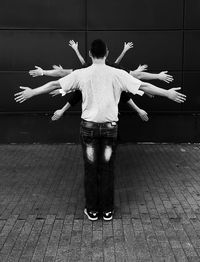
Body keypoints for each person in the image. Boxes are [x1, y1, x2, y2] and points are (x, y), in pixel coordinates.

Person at [14, 39, 186, 221]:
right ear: (107, 53)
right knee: (107, 169)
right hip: (110, 130)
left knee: (90, 169)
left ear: (89, 54)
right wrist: (167, 93)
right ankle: (107, 210)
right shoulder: (117, 74)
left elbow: (55, 84)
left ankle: (93, 210)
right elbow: (143, 85)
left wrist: (32, 91)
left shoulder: (82, 73)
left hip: (88, 129)